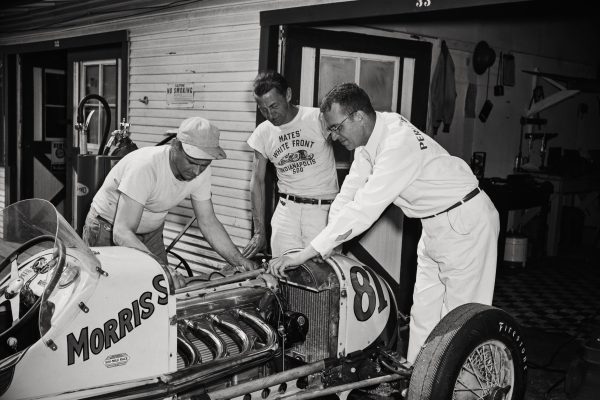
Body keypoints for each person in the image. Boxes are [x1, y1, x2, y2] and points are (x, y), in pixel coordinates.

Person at [270, 83, 499, 365]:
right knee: (423, 316)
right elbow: (348, 196)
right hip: (434, 225)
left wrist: (307, 252)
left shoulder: (397, 143)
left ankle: (465, 391)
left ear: (358, 117)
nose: (332, 136)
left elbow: (365, 208)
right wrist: (331, 245)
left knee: (462, 322)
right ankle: (416, 384)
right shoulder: (372, 137)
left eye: (336, 127)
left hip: (466, 221)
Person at [83, 116, 258, 285]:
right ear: (175, 146)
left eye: (204, 164)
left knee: (161, 290)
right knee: (109, 294)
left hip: (151, 231)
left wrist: (239, 261)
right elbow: (122, 233)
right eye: (191, 162)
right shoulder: (146, 167)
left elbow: (208, 222)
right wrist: (163, 268)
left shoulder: (201, 171)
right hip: (108, 228)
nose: (197, 172)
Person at [242, 71, 338, 258]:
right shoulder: (263, 133)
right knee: (281, 273)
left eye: (273, 106)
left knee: (322, 278)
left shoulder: (317, 119)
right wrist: (259, 231)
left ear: (287, 95)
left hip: (322, 213)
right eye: (262, 109)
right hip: (286, 212)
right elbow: (257, 182)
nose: (270, 114)